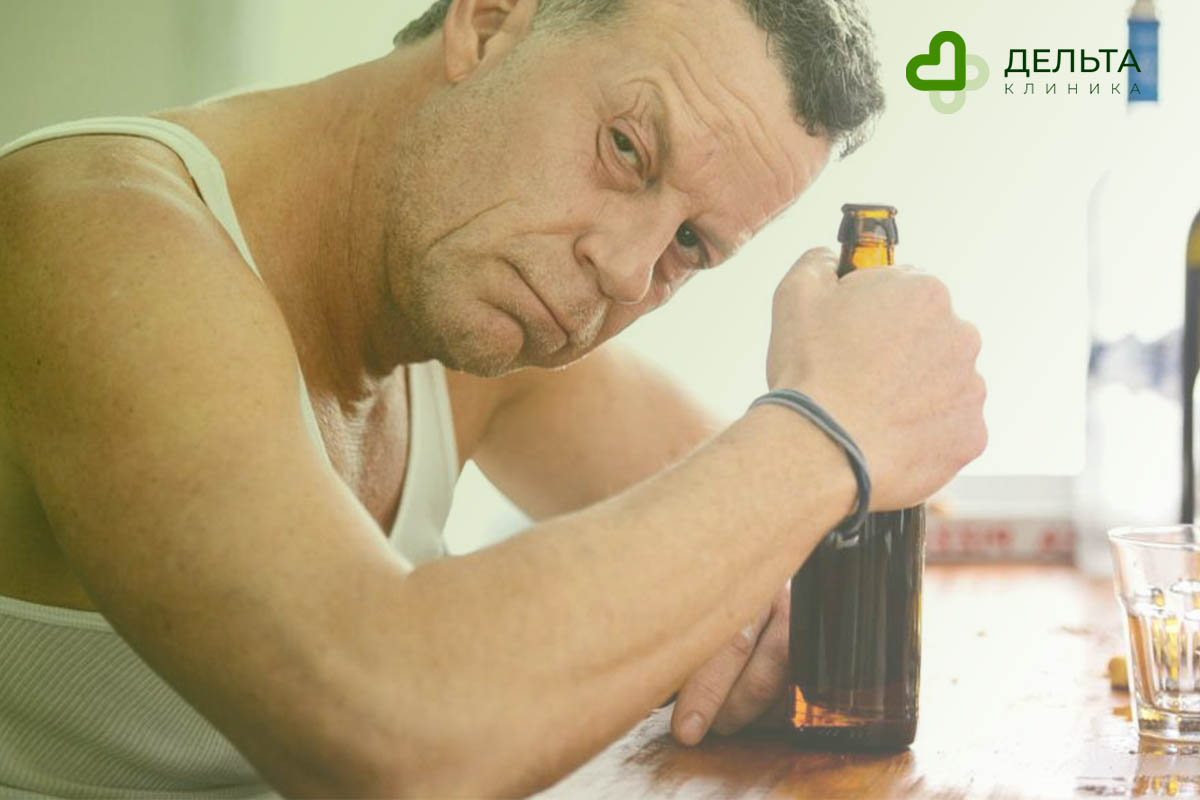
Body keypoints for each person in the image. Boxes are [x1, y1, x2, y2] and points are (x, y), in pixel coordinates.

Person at [0, 0, 986, 796]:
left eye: (690, 244)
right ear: (488, 20)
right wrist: (824, 430)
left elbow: (787, 561)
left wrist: (777, 576)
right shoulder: (94, 233)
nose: (625, 269)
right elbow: (392, 729)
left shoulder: (481, 317)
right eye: (627, 149)